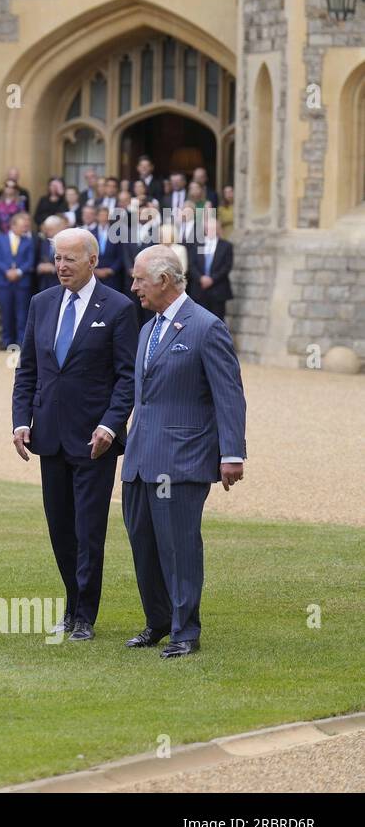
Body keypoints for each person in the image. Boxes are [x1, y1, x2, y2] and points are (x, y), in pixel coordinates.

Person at [11, 228, 137, 641]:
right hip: (49, 435)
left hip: (94, 440)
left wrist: (110, 424)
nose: (61, 266)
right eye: (57, 258)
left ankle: (83, 615)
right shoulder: (41, 303)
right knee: (60, 529)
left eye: (69, 259)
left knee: (88, 530)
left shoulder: (117, 307)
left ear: (92, 260)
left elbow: (127, 378)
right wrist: (21, 420)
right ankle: (72, 603)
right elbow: (28, 369)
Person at [122, 245, 246, 658]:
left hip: (181, 460)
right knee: (143, 543)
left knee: (179, 547)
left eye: (140, 278)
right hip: (140, 459)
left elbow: (229, 395)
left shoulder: (206, 327)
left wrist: (232, 453)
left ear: (164, 280)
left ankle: (184, 631)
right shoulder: (147, 328)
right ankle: (158, 622)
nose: (134, 286)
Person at [0, 210, 34, 348]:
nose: (24, 228)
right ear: (13, 225)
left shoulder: (28, 241)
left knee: (22, 314)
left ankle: (21, 342)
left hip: (21, 283)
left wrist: (19, 272)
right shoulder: (0, 239)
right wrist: (7, 271)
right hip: (3, 282)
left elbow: (30, 260)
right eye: (22, 226)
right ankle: (6, 341)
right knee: (6, 313)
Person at [189, 213, 234, 321]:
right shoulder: (198, 245)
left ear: (218, 229)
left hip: (218, 290)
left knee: (217, 321)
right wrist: (201, 278)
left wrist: (212, 279)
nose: (210, 231)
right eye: (208, 228)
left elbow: (227, 266)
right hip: (199, 290)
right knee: (199, 320)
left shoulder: (226, 246)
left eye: (213, 228)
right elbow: (192, 265)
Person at [33, 214, 66, 293]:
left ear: (59, 228)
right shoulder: (44, 242)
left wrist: (54, 269)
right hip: (45, 284)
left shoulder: (67, 243)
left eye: (50, 229)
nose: (46, 232)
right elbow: (40, 258)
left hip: (60, 284)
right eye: (46, 229)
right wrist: (39, 266)